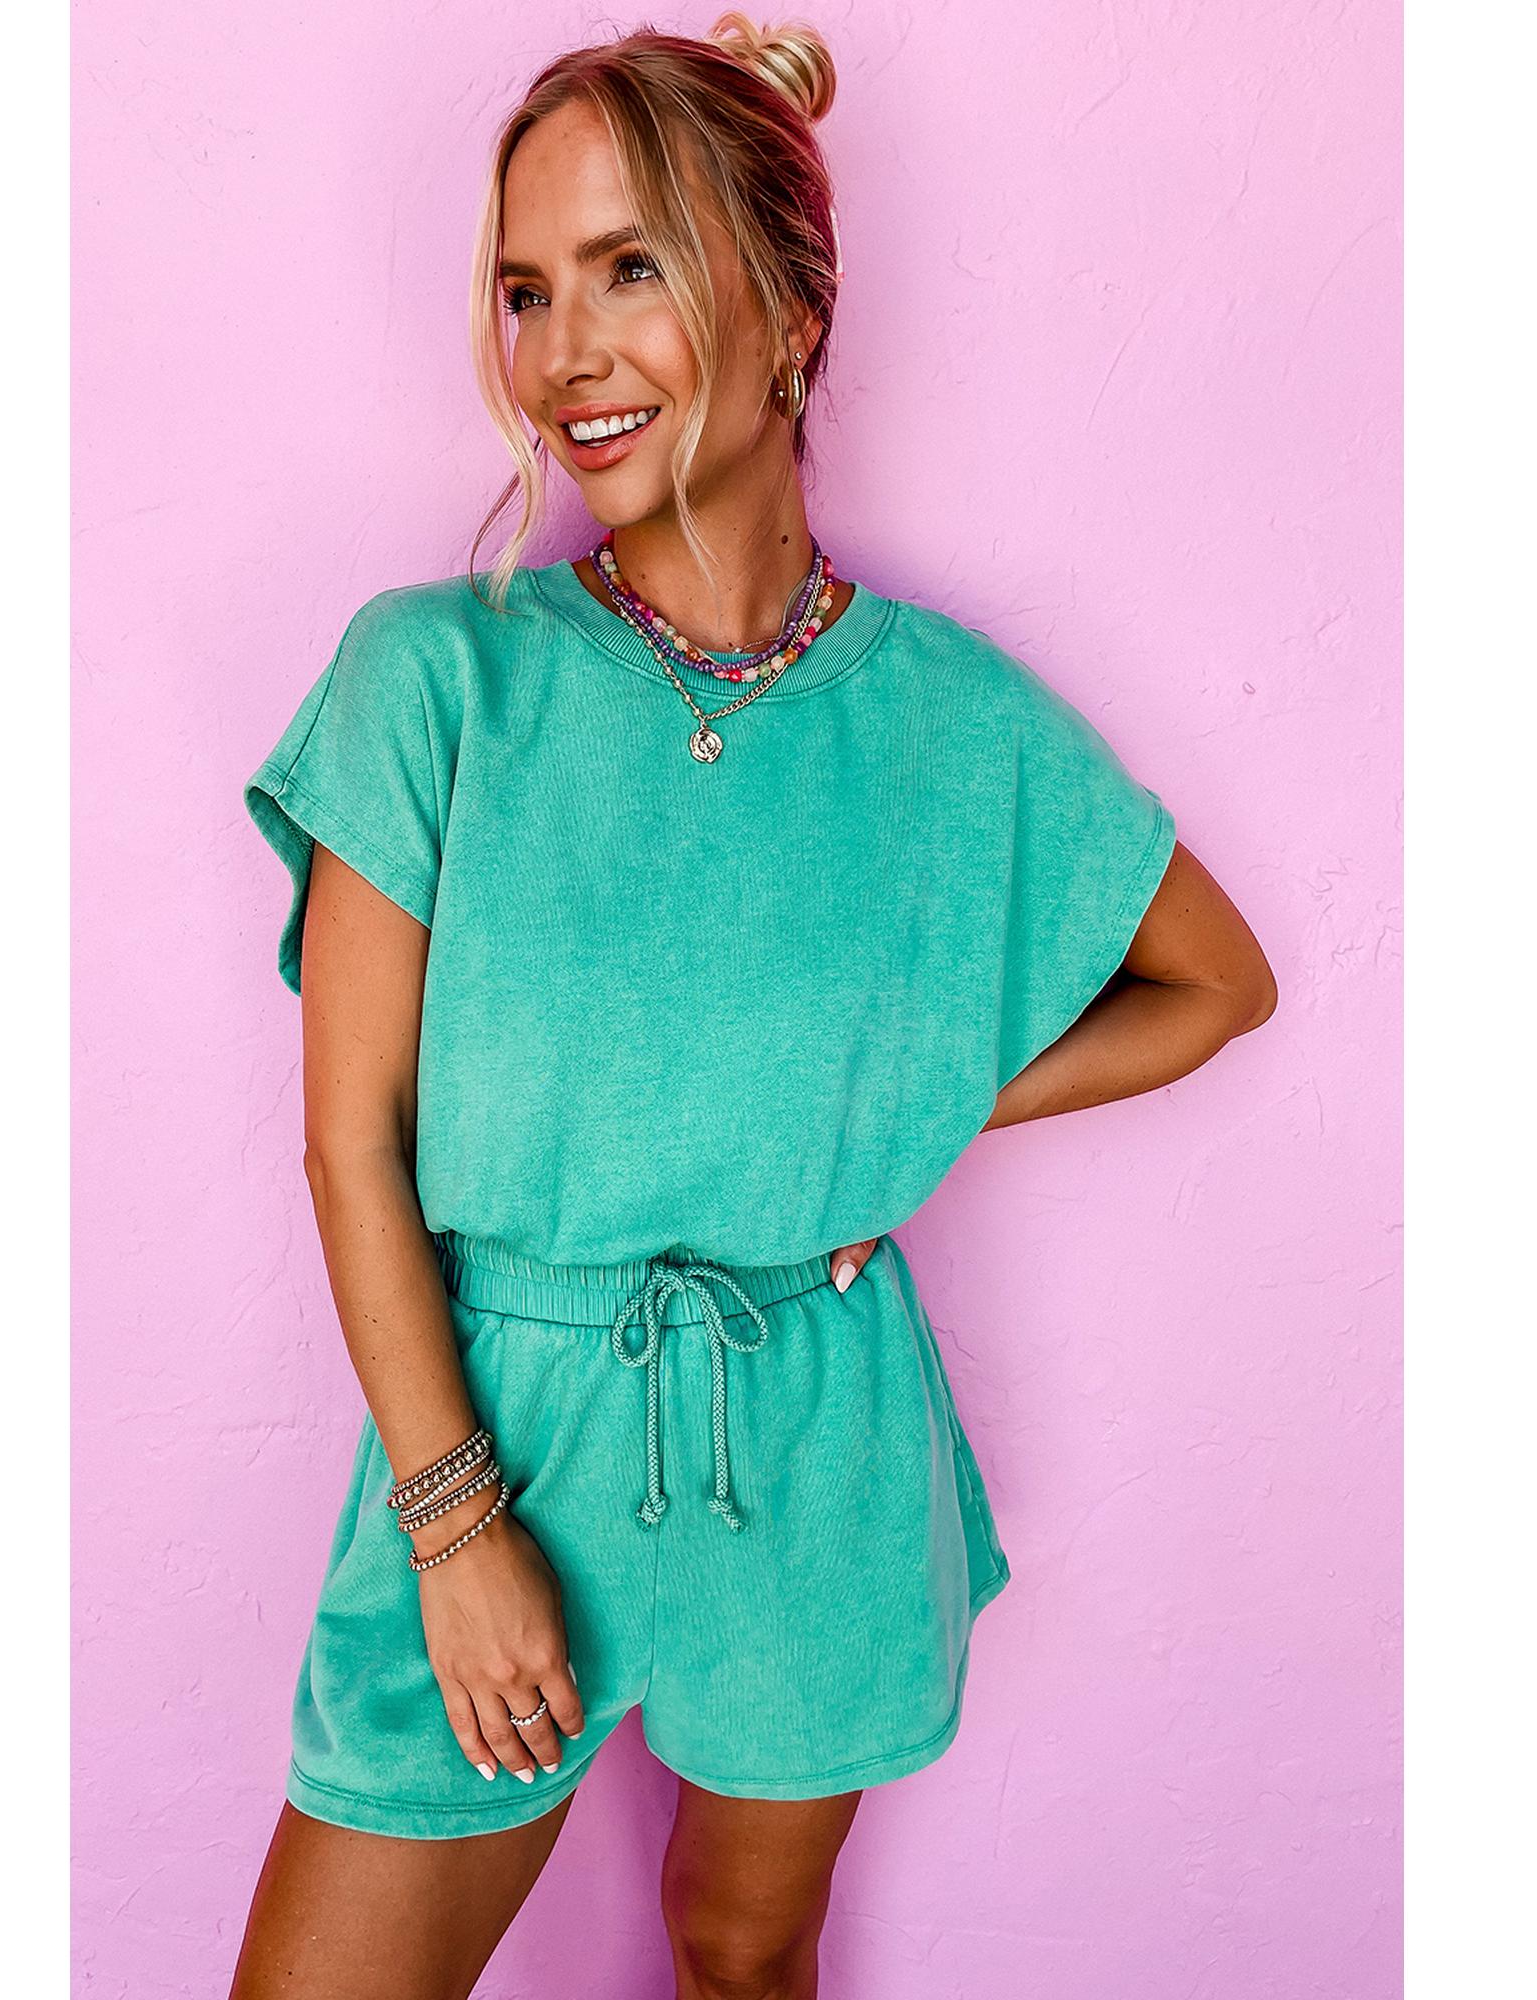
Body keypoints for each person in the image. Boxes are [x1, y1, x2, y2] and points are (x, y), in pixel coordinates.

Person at [228, 15, 1276, 1998]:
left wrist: (886, 1103)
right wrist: (453, 1530)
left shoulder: (952, 720)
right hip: (495, 1424)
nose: (563, 351)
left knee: (739, 1950)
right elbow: (351, 1141)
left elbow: (1216, 986)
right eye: (525, 290)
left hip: (816, 1425)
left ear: (789, 313)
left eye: (627, 266)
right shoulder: (434, 677)